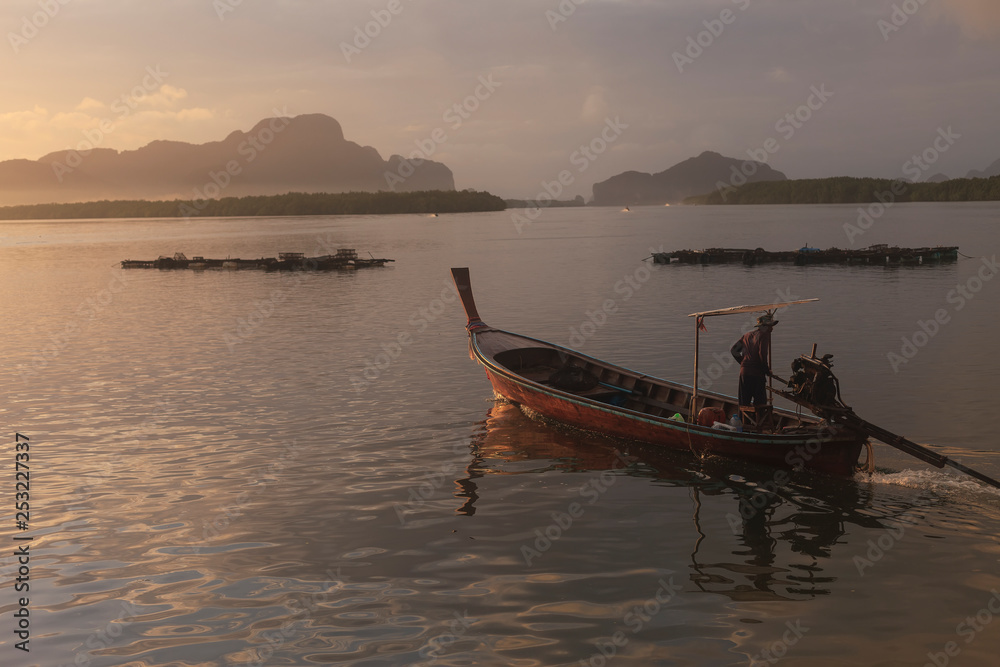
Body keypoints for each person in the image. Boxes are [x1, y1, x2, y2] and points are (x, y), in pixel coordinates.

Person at [730, 313, 777, 427]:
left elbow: (733, 350)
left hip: (744, 374)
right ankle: (759, 429)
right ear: (764, 326)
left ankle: (741, 429)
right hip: (757, 375)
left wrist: (743, 363)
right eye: (770, 326)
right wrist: (767, 371)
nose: (772, 328)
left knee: (743, 404)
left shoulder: (746, 335)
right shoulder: (764, 335)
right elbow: (762, 354)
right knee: (760, 404)